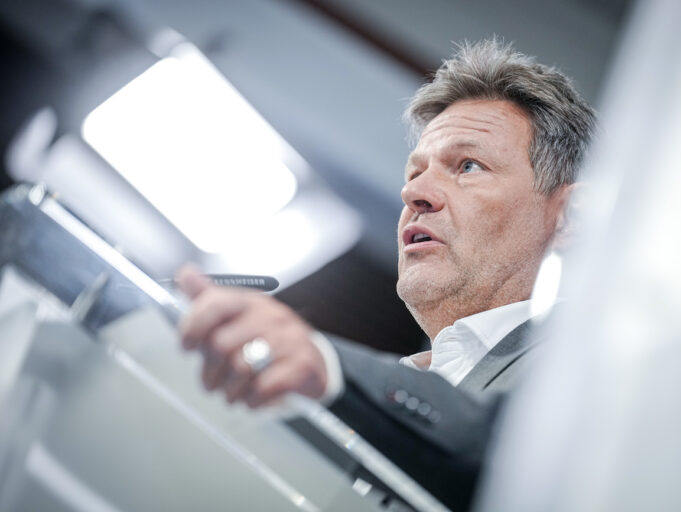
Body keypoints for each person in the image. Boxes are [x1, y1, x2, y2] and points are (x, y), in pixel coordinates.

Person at [177, 39, 595, 511]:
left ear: (568, 217)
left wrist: (328, 367)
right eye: (414, 172)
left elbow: (512, 453)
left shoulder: (598, 361)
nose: (415, 192)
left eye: (468, 166)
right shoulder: (406, 383)